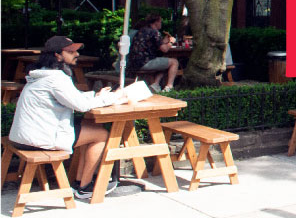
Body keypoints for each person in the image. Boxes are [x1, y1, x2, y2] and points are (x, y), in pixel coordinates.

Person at [8, 36, 126, 199]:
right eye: (71, 51)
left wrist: (96, 95)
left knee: (88, 125)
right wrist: (115, 97)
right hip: (37, 139)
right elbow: (80, 105)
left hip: (23, 136)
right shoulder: (56, 78)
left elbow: (72, 98)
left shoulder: (42, 75)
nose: (76, 54)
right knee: (101, 135)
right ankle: (85, 187)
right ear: (57, 55)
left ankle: (80, 181)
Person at [127, 14, 179, 92]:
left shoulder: (142, 30)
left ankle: (156, 84)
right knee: (174, 62)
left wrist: (164, 42)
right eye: (160, 22)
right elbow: (164, 49)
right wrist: (171, 42)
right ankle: (169, 87)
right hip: (144, 62)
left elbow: (154, 44)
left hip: (133, 63)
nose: (161, 24)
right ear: (156, 22)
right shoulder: (155, 32)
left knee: (164, 61)